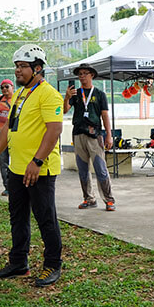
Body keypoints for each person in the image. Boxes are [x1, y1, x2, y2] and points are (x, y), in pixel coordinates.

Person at [0, 44, 64, 288]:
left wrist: (37, 161)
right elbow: (8, 128)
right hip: (17, 168)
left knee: (46, 218)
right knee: (17, 217)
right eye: (17, 67)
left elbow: (54, 131)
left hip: (40, 170)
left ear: (38, 68)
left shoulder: (49, 94)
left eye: (23, 67)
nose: (18, 71)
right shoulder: (20, 94)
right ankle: (18, 263)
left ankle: (52, 265)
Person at [63, 63, 116, 211]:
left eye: (85, 73)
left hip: (95, 135)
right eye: (80, 74)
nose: (82, 76)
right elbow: (65, 110)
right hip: (78, 134)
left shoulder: (99, 94)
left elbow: (105, 115)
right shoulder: (76, 93)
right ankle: (89, 198)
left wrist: (109, 136)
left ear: (92, 75)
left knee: (100, 168)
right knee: (82, 169)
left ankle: (109, 199)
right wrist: (67, 97)